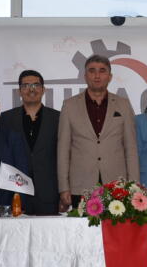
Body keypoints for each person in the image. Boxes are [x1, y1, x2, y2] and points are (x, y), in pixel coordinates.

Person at [57, 54, 140, 209]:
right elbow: (63, 150)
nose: (97, 75)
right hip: (80, 185)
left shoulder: (123, 105)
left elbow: (131, 148)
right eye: (92, 70)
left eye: (102, 71)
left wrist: (134, 185)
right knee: (82, 225)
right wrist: (63, 187)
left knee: (116, 225)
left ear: (110, 76)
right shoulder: (69, 106)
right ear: (85, 76)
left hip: (117, 185)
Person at [0, 70, 61, 215]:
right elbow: (4, 156)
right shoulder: (7, 118)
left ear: (43, 89)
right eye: (25, 86)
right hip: (16, 192)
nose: (31, 89)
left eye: (36, 85)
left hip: (49, 192)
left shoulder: (58, 117)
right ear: (19, 91)